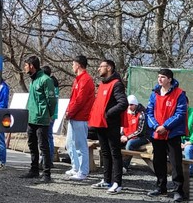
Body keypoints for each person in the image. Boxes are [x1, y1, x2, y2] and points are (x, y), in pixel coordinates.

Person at [146, 68, 189, 202]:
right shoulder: (154, 93)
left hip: (172, 133)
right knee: (158, 161)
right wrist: (156, 126)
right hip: (157, 133)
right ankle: (161, 187)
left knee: (175, 163)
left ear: (169, 79)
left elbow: (180, 114)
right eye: (159, 76)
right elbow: (149, 112)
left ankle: (178, 191)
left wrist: (165, 126)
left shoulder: (179, 94)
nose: (160, 79)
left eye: (163, 77)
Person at [88, 59, 128, 194]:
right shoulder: (102, 84)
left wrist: (108, 113)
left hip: (111, 124)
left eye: (101, 66)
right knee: (105, 152)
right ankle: (106, 180)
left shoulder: (116, 84)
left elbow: (123, 103)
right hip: (100, 124)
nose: (99, 69)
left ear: (109, 68)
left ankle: (117, 183)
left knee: (115, 153)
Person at [20, 56, 57, 182]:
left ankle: (47, 173)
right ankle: (34, 170)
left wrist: (49, 114)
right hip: (31, 118)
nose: (24, 68)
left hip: (41, 118)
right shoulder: (33, 80)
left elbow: (51, 100)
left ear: (31, 66)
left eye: (26, 65)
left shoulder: (46, 80)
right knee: (32, 144)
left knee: (43, 146)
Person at [64, 55, 95, 181]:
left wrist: (70, 112)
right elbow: (74, 99)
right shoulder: (78, 79)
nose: (72, 66)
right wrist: (68, 111)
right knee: (70, 143)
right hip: (74, 116)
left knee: (80, 144)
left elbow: (80, 100)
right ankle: (76, 167)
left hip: (80, 117)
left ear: (78, 64)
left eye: (73, 64)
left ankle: (83, 171)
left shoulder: (86, 80)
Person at [119, 95, 150, 174]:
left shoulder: (142, 114)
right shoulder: (125, 112)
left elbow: (141, 131)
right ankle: (115, 164)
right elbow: (122, 125)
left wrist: (127, 137)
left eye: (131, 105)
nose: (129, 107)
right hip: (127, 136)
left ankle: (124, 166)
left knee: (130, 144)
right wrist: (122, 134)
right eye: (128, 105)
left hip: (143, 137)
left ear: (135, 104)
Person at [42, 65, 60, 164]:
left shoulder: (50, 84)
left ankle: (48, 159)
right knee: (49, 136)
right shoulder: (55, 84)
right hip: (54, 114)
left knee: (47, 137)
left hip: (49, 114)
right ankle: (50, 158)